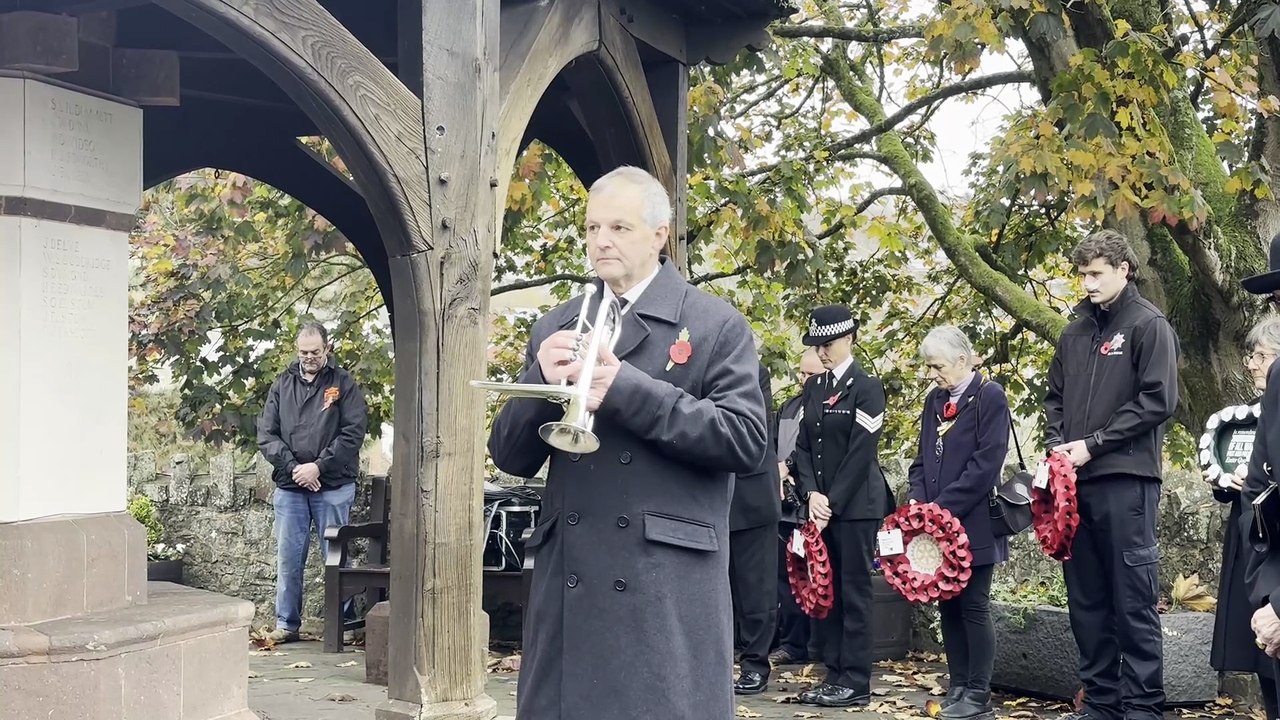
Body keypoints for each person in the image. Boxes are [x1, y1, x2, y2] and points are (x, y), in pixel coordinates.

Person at [486, 165, 768, 720]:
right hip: (571, 581)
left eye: (619, 227)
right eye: (592, 228)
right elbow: (510, 456)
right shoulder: (557, 324)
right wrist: (540, 387)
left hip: (662, 580)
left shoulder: (714, 324)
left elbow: (745, 440)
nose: (601, 241)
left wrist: (630, 391)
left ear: (660, 235)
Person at [1044, 229, 1179, 720]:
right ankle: (1100, 702)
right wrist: (1059, 446)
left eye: (1096, 273)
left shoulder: (1149, 325)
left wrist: (1094, 444)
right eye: (1082, 274)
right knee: (1087, 600)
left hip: (1127, 480)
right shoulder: (1074, 331)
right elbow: (1053, 397)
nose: (1087, 283)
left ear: (1124, 269)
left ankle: (1144, 707)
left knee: (1132, 601)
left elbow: (1158, 400)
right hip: (1075, 486)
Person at [793, 304, 893, 708]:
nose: (822, 352)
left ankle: (855, 678)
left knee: (854, 592)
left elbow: (860, 453)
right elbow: (803, 448)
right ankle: (833, 672)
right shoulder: (815, 387)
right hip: (822, 507)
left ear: (849, 339)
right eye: (817, 345)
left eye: (828, 344)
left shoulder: (866, 387)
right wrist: (811, 495)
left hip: (856, 507)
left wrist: (830, 501)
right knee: (827, 591)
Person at [908, 326, 1010, 720]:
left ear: (964, 361)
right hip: (937, 526)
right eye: (930, 367)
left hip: (974, 523)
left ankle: (980, 694)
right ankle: (959, 685)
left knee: (973, 607)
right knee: (947, 606)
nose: (933, 374)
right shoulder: (935, 400)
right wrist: (918, 500)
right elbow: (921, 460)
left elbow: (985, 465)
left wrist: (941, 508)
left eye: (938, 366)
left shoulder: (990, 397)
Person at [257, 321, 369, 643]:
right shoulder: (281, 384)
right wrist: (295, 468)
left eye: (315, 352)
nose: (309, 357)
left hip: (332, 485)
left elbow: (353, 432)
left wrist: (318, 467)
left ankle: (342, 625)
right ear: (297, 350)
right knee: (289, 557)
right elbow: (267, 434)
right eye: (304, 352)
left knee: (336, 557)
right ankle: (287, 624)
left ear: (327, 349)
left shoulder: (343, 383)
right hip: (291, 486)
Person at [1207, 317, 1280, 720]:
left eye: (1260, 355)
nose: (1250, 363)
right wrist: (1224, 481)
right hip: (1255, 560)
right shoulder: (1248, 414)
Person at [729, 360, 782, 695]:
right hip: (707, 496)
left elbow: (749, 426)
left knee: (756, 588)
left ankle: (755, 665)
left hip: (750, 495)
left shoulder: (750, 368)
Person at [771, 348, 825, 666]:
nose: (804, 381)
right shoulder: (789, 406)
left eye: (811, 375)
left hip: (817, 507)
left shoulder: (835, 406)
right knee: (787, 579)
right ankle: (792, 644)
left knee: (820, 577)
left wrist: (789, 466)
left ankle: (823, 645)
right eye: (801, 374)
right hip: (785, 510)